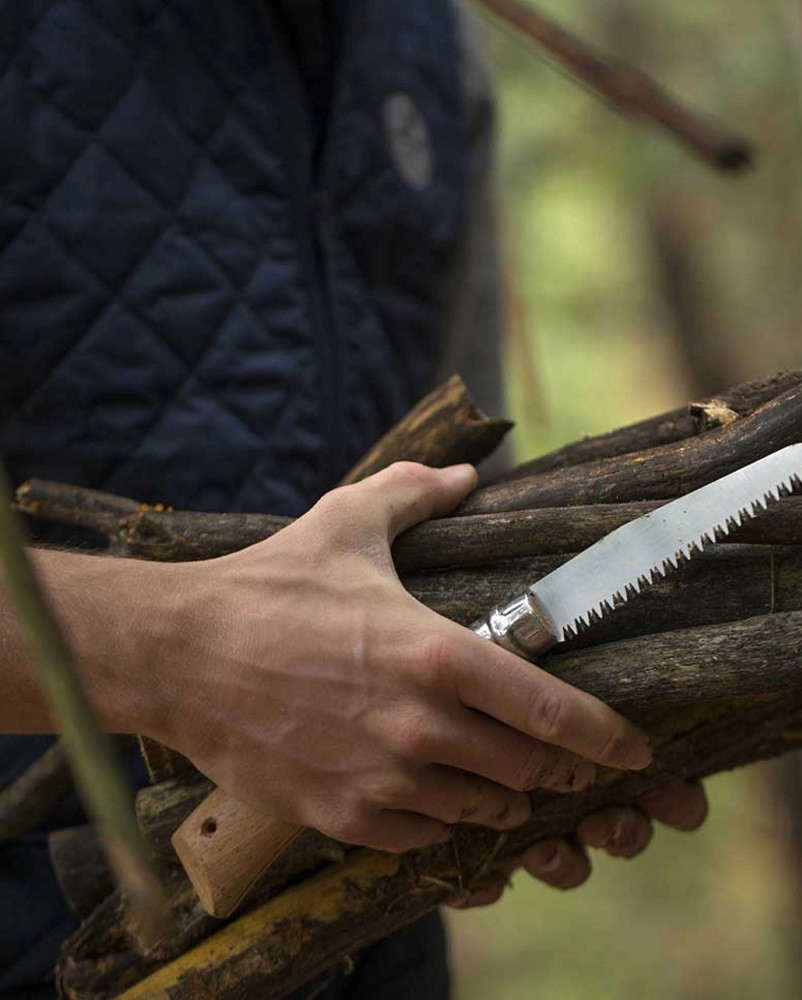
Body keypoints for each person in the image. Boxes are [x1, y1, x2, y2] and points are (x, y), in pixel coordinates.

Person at [0, 1, 708, 996]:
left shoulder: (428, 41)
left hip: (369, 946)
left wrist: (512, 738)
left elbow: (459, 485)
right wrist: (179, 652)